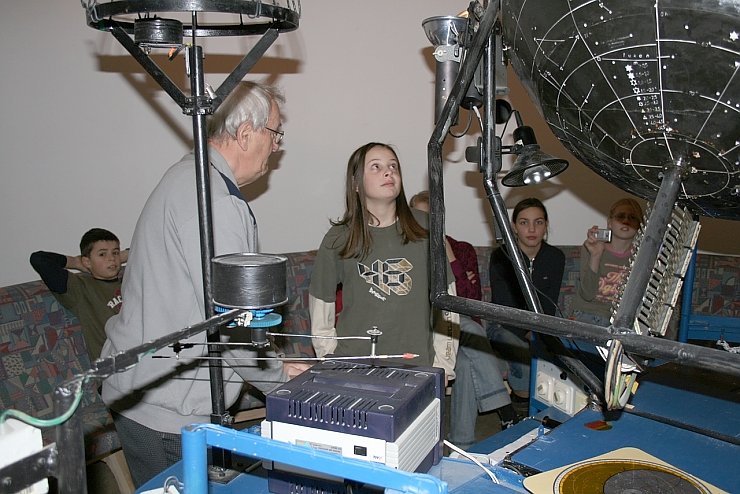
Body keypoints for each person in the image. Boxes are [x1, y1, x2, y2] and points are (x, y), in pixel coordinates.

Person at [101, 81, 309, 487]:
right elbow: (232, 321)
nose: (276, 146)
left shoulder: (187, 178)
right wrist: (281, 379)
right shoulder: (216, 201)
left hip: (146, 398)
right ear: (246, 133)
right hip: (170, 413)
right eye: (275, 133)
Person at [309, 143, 457, 381]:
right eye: (376, 167)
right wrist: (329, 357)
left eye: (393, 166)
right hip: (354, 365)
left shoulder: (427, 227)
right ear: (356, 183)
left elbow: (447, 299)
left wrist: (444, 363)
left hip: (417, 365)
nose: (388, 172)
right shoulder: (338, 237)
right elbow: (321, 303)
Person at [410, 191, 517, 448]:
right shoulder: (408, 252)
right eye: (420, 217)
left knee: (466, 361)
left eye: (432, 217)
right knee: (467, 329)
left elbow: (469, 299)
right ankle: (506, 410)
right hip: (426, 327)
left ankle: (462, 445)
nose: (426, 223)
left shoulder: (462, 249)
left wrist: (451, 258)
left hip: (462, 324)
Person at [488, 198, 565, 403]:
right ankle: (522, 403)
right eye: (524, 222)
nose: (532, 229)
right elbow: (504, 303)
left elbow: (550, 303)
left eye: (538, 222)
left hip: (542, 325)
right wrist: (527, 331)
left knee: (559, 348)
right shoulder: (502, 256)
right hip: (504, 325)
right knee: (521, 351)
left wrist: (538, 330)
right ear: (514, 226)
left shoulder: (555, 257)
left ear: (546, 225)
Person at [30, 228, 127, 360]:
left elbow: (150, 250)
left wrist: (121, 257)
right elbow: (39, 259)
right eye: (102, 254)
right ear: (87, 262)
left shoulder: (130, 280)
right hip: (115, 362)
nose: (111, 259)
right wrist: (76, 262)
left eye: (115, 253)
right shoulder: (79, 287)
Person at [572, 197, 643, 327]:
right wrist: (596, 256)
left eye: (632, 218)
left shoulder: (641, 256)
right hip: (586, 314)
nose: (626, 221)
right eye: (620, 216)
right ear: (609, 223)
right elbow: (587, 294)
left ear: (639, 226)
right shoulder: (592, 247)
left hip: (619, 321)